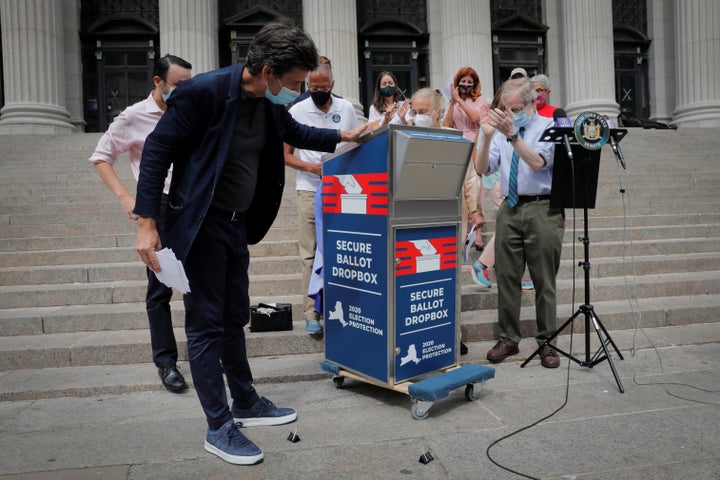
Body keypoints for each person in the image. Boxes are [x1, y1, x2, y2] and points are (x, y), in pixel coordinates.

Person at [132, 21, 369, 466]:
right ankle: (219, 426)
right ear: (267, 71)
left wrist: (345, 135)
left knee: (234, 316)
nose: (298, 93)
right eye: (295, 83)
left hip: (236, 226)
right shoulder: (203, 93)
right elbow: (156, 151)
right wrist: (147, 223)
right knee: (205, 325)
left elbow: (297, 134)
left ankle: (245, 400)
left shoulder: (266, 100)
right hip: (200, 225)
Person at [89, 54, 192, 393]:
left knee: (198, 285)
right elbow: (102, 157)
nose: (184, 90)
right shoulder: (134, 116)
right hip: (158, 209)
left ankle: (206, 352)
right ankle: (166, 362)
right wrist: (126, 198)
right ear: (158, 82)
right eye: (178, 84)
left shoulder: (192, 111)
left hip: (191, 206)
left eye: (188, 85)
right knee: (159, 288)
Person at [474, 77, 564, 369]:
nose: (511, 113)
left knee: (543, 280)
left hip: (542, 208)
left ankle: (547, 342)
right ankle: (508, 338)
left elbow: (538, 162)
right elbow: (482, 168)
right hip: (511, 207)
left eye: (515, 108)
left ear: (531, 102)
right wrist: (487, 135)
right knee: (507, 277)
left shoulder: (547, 127)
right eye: (507, 108)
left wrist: (513, 135)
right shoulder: (501, 132)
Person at [284, 63, 359, 335]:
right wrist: (312, 168)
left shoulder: (346, 109)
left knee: (342, 249)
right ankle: (311, 312)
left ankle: (342, 305)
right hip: (309, 186)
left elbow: (354, 146)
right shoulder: (297, 110)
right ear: (307, 85)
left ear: (332, 84)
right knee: (310, 252)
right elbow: (285, 153)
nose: (319, 92)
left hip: (342, 188)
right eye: (314, 88)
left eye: (324, 88)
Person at [443, 67, 489, 252]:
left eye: (470, 82)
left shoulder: (480, 99)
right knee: (463, 189)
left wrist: (461, 101)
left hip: (476, 143)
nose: (466, 85)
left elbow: (476, 118)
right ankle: (462, 234)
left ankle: (478, 234)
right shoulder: (453, 102)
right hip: (458, 143)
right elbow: (447, 124)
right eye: (463, 81)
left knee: (477, 187)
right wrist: (454, 102)